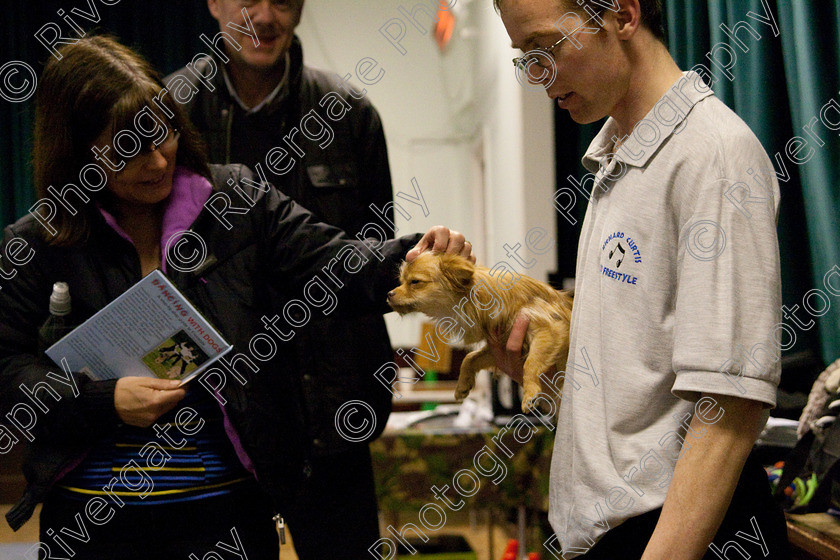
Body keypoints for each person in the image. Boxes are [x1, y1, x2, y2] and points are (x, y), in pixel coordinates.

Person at [0, 35, 471, 560]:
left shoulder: (234, 202)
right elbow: (6, 368)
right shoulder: (37, 242)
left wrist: (414, 257)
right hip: (92, 522)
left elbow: (335, 265)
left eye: (163, 133)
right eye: (127, 149)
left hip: (226, 514)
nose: (157, 161)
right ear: (77, 152)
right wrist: (101, 401)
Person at [490, 1, 790, 558]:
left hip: (680, 534)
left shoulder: (713, 156)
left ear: (623, 16)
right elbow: (639, 403)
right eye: (522, 57)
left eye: (545, 48)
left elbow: (731, 406)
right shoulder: (616, 160)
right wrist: (551, 376)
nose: (536, 75)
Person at [165, 2, 398, 555]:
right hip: (215, 419)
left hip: (331, 412)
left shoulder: (349, 113)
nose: (265, 16)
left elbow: (369, 264)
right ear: (214, 2)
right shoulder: (171, 111)